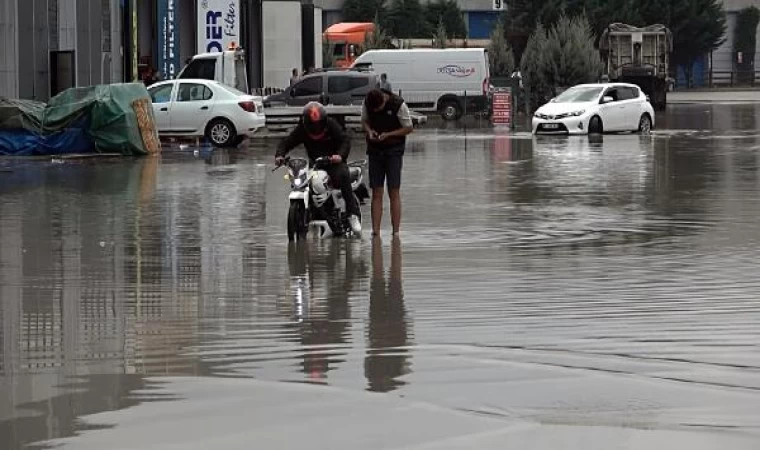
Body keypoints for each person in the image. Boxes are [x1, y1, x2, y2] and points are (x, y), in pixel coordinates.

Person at [276, 102, 362, 234]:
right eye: (312, 124)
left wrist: (339, 155)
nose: (315, 127)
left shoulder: (331, 124)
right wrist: (280, 155)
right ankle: (309, 211)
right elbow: (287, 142)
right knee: (304, 183)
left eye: (318, 123)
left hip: (334, 163)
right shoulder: (302, 129)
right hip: (314, 165)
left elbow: (344, 140)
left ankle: (352, 214)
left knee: (343, 176)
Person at [361, 89, 414, 236]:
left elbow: (408, 128)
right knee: (376, 192)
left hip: (394, 151)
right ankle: (375, 232)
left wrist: (389, 135)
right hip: (374, 150)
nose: (376, 112)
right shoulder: (367, 103)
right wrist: (369, 131)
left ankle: (395, 232)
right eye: (374, 110)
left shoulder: (398, 105)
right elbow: (364, 121)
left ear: (384, 100)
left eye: (379, 109)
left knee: (393, 191)